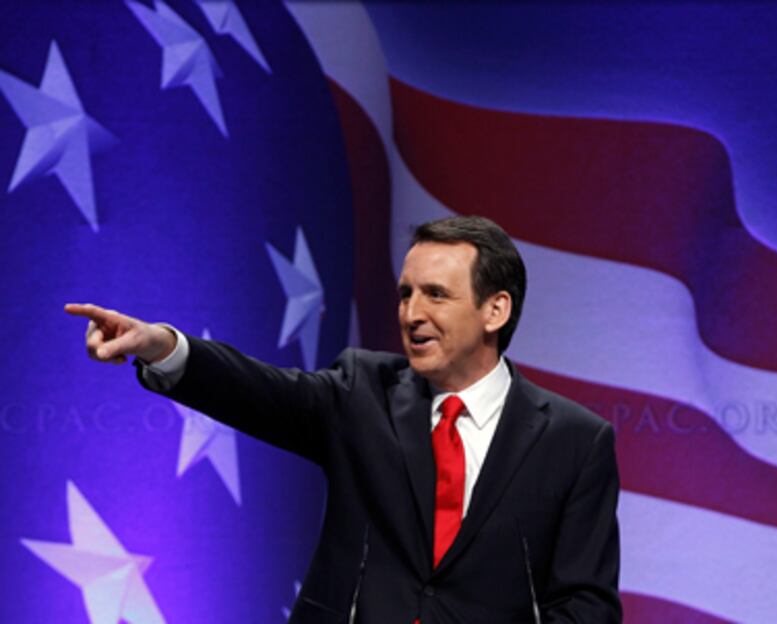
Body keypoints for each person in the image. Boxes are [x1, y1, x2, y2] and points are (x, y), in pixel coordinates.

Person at [66, 216, 621, 623]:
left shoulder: (574, 440)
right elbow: (255, 392)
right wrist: (162, 346)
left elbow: (586, 605)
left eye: (435, 295)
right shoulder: (362, 392)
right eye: (405, 294)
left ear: (494, 310)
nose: (411, 314)